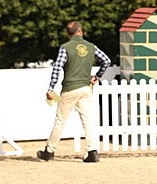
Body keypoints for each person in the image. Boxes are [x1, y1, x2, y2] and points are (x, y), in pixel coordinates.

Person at [37, 21, 112, 163]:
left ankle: (49, 151)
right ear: (81, 32)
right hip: (85, 88)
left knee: (60, 121)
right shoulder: (91, 47)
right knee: (88, 121)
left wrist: (51, 88)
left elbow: (57, 68)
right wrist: (97, 77)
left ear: (68, 34)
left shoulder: (65, 47)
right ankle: (92, 151)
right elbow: (106, 61)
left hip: (70, 88)